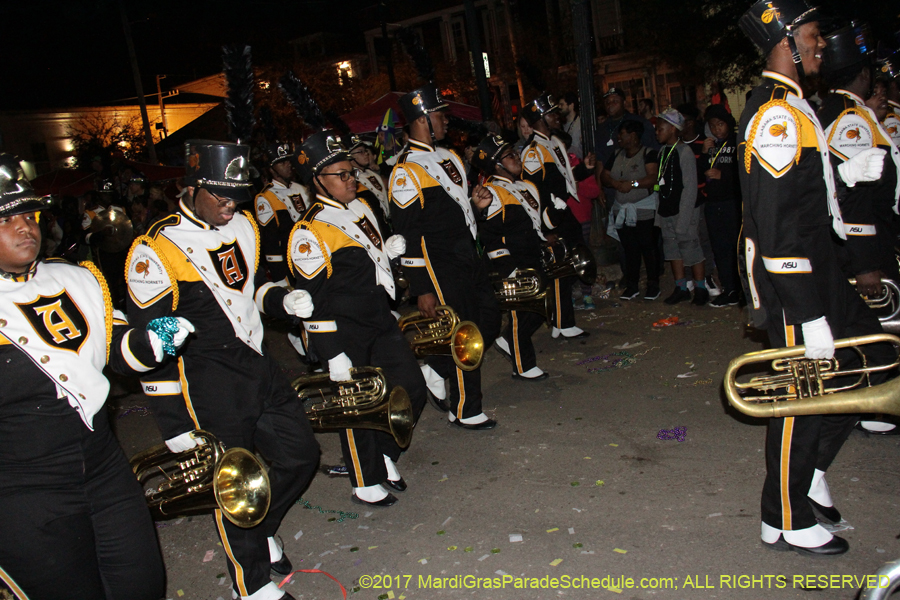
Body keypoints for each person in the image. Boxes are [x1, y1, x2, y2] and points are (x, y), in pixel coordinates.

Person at [125, 140, 320, 600]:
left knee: (301, 455)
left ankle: (263, 530)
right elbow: (150, 344)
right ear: (190, 189)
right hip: (207, 381)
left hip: (258, 364)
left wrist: (280, 301)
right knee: (234, 480)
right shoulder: (156, 248)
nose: (231, 205)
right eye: (220, 196)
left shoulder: (244, 225)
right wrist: (173, 421)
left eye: (237, 194)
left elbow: (249, 293)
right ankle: (249, 585)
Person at [738, 0, 891, 556]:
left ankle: (811, 473)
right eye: (810, 34)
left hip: (820, 272)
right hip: (793, 284)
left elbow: (801, 196)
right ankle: (782, 517)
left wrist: (845, 172)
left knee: (870, 366)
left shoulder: (796, 106)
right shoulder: (777, 114)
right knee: (798, 402)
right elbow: (777, 230)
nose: (820, 44)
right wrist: (807, 314)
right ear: (784, 42)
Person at [0, 154, 188, 600]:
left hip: (104, 467)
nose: (26, 227)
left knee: (143, 585)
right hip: (23, 492)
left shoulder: (76, 279)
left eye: (29, 215)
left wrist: (151, 344)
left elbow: (117, 349)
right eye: (7, 220)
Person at [288, 131, 427, 506]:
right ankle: (363, 480)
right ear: (319, 181)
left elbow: (370, 260)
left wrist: (391, 253)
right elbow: (313, 302)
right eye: (343, 175)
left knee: (412, 387)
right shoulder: (309, 231)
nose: (353, 179)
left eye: (352, 172)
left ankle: (382, 453)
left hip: (378, 317)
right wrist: (331, 353)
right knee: (357, 405)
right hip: (344, 328)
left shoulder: (361, 207)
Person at [389, 84, 501, 430]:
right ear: (423, 120)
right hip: (439, 262)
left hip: (467, 253)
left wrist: (478, 209)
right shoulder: (404, 172)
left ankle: (435, 368)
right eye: (440, 115)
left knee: (490, 317)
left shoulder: (450, 156)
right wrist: (421, 286)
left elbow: (458, 213)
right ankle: (466, 409)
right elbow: (407, 233)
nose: (446, 122)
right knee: (464, 329)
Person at [819, 23, 900, 436]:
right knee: (876, 329)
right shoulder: (850, 117)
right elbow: (854, 194)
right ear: (863, 74)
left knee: (858, 329)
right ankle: (876, 409)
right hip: (864, 244)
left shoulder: (839, 110)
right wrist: (867, 261)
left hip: (854, 242)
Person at [520, 92, 596, 338]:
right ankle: (561, 323)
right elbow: (533, 192)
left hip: (564, 213)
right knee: (560, 268)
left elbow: (565, 179)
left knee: (571, 264)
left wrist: (584, 169)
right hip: (551, 217)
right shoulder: (533, 151)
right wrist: (545, 228)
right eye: (552, 113)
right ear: (541, 118)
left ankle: (562, 321)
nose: (557, 117)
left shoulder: (553, 143)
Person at [475, 135, 550, 380]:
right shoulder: (492, 192)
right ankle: (523, 365)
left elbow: (539, 223)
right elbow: (489, 235)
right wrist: (509, 269)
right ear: (497, 165)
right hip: (514, 262)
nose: (517, 157)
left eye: (515, 153)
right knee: (520, 313)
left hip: (533, 256)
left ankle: (507, 340)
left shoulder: (525, 186)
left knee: (540, 309)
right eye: (509, 155)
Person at [600, 120, 661, 300]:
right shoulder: (617, 154)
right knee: (629, 249)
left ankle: (653, 284)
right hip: (623, 212)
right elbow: (604, 175)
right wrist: (615, 183)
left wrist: (633, 184)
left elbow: (653, 178)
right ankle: (632, 284)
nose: (619, 138)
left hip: (644, 211)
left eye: (623, 134)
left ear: (633, 136)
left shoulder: (648, 154)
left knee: (648, 248)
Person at [654, 108, 707, 305]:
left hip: (684, 211)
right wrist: (659, 213)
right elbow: (660, 184)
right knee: (673, 249)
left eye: (660, 129)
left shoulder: (684, 152)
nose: (657, 132)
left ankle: (700, 288)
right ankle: (681, 287)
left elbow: (690, 187)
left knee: (691, 248)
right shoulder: (662, 152)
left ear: (673, 129)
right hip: (667, 210)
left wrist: (684, 218)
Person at [701, 103, 742, 307]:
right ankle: (729, 288)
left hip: (731, 203)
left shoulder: (737, 142)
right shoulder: (711, 145)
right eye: (713, 125)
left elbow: (744, 172)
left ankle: (740, 288)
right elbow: (701, 173)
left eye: (720, 124)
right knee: (720, 249)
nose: (717, 129)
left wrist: (723, 175)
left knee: (735, 247)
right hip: (713, 202)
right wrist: (703, 155)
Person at [254, 141, 310, 285]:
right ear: (272, 170)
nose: (288, 165)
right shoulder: (266, 197)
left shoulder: (302, 188)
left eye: (288, 161)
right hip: (289, 264)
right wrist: (281, 279)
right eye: (282, 163)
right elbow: (270, 241)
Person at [348, 135, 392, 235]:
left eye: (366, 151)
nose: (366, 154)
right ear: (349, 156)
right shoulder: (351, 179)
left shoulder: (372, 174)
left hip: (386, 224)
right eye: (360, 152)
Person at [559, 92, 583, 159]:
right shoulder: (561, 124)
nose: (559, 107)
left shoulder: (579, 124)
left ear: (571, 105)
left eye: (562, 104)